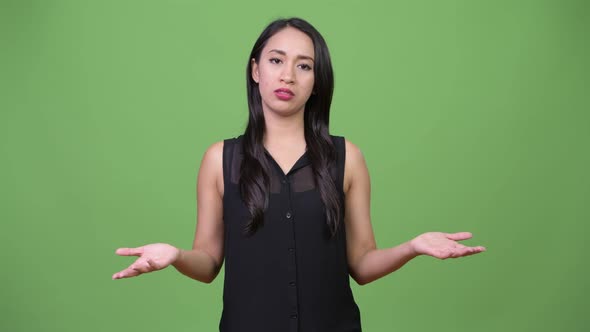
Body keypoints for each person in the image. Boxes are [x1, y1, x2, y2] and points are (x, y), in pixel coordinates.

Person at [112, 17, 486, 332]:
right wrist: (176, 254)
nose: (288, 75)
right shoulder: (220, 159)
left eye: (304, 65)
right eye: (276, 60)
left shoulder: (347, 157)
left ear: (317, 81)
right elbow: (208, 263)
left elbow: (362, 263)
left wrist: (412, 247)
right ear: (256, 70)